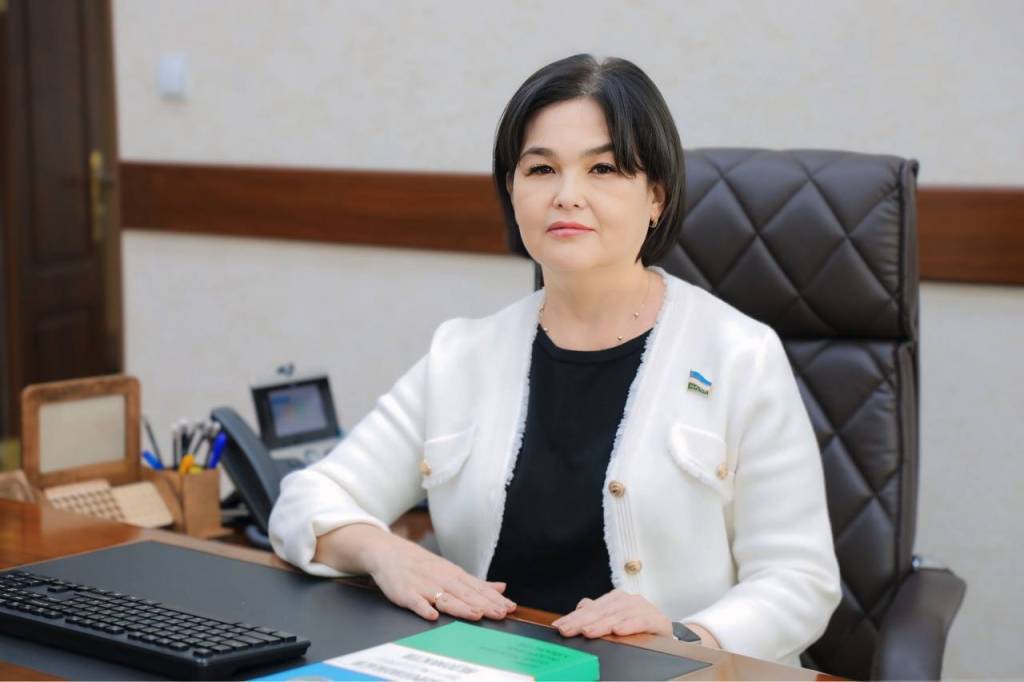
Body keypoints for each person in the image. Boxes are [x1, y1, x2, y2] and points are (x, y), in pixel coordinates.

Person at [269, 54, 840, 666]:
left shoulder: (740, 355)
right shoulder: (462, 355)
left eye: (604, 169)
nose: (567, 196)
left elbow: (799, 580)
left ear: (656, 196)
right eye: (541, 168)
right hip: (485, 668)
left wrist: (686, 635)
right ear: (512, 191)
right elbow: (308, 500)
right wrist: (387, 553)